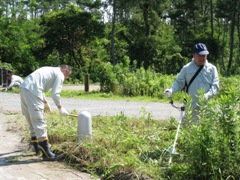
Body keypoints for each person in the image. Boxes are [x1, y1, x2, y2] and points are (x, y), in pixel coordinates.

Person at [20, 65, 72, 161]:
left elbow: (39, 83)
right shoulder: (60, 74)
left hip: (24, 88)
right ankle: (46, 154)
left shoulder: (48, 69)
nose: (65, 78)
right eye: (67, 76)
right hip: (33, 91)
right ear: (65, 70)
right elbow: (55, 93)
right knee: (39, 120)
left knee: (31, 120)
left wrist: (45, 102)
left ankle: (37, 149)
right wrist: (60, 107)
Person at [164, 43, 219, 124]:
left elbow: (215, 86)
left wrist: (207, 95)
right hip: (191, 107)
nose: (202, 58)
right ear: (193, 55)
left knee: (208, 131)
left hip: (208, 107)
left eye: (204, 55)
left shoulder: (212, 69)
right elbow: (179, 83)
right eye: (199, 55)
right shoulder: (186, 68)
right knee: (190, 131)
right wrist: (171, 91)